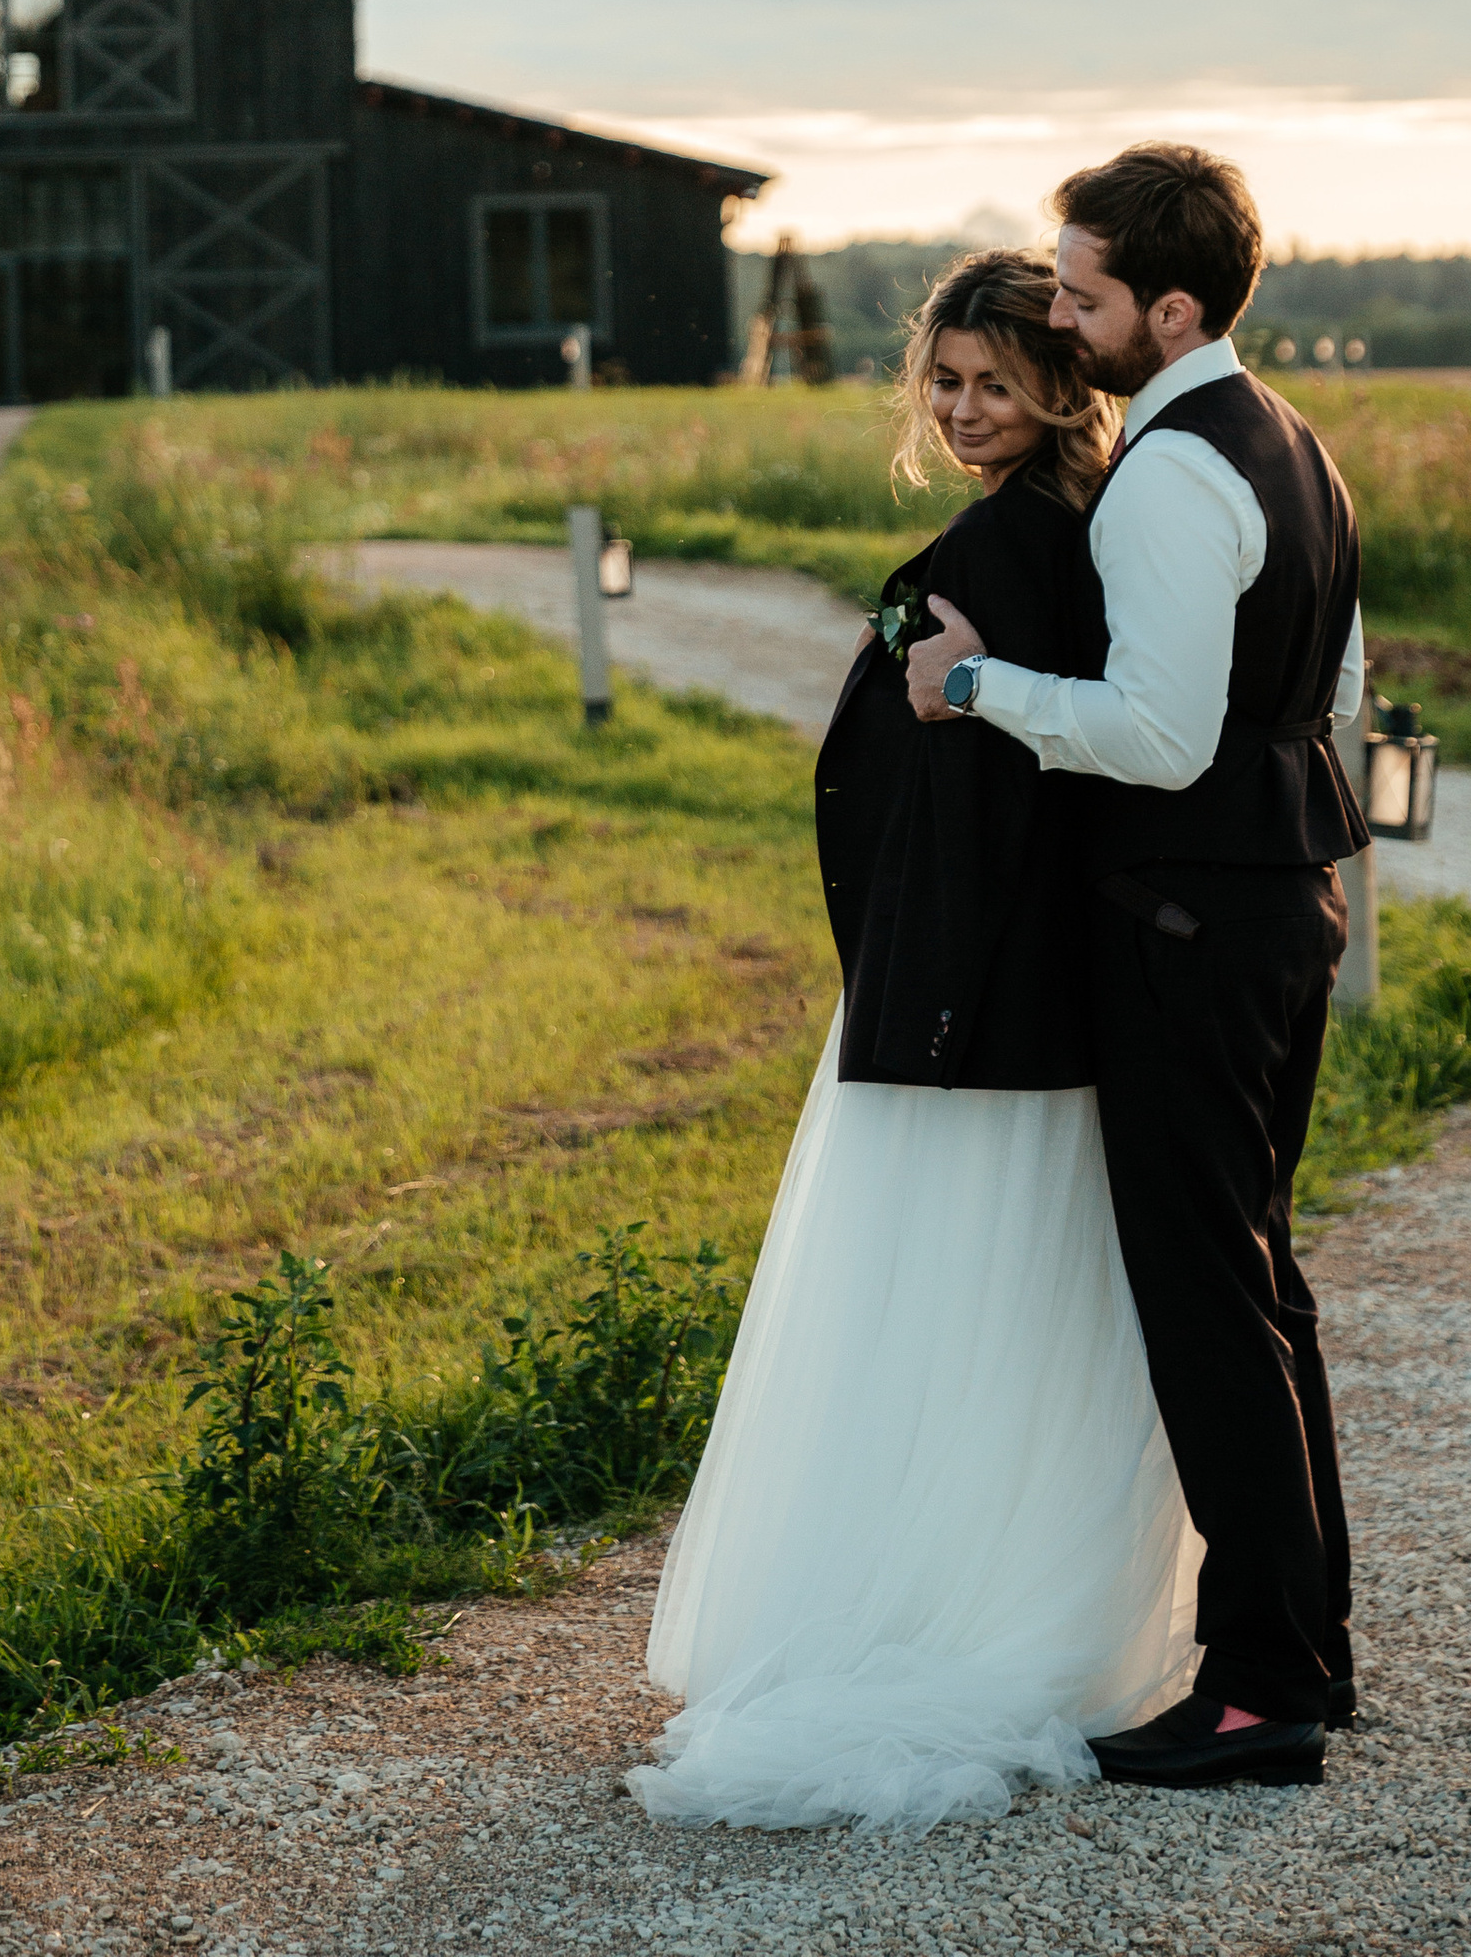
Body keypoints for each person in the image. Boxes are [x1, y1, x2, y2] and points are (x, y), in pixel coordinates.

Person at [628, 252, 1200, 1834]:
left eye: (995, 387)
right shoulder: (1044, 530)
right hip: (962, 986)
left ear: (1065, 389)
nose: (962, 411)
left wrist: (924, 998)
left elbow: (999, 790)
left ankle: (938, 1616)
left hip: (971, 1000)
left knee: (950, 1288)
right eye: (943, 383)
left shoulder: (1025, 547)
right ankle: (977, 1591)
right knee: (977, 1301)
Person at [909, 145, 1367, 1795]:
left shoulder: (1177, 470)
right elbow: (1329, 685)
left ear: (1167, 310)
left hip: (1188, 923)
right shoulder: (1295, 445)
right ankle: (1306, 1653)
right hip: (1281, 902)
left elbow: (1162, 740)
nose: (1061, 311)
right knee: (1262, 1287)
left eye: (1084, 293)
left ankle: (1257, 1693)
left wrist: (980, 692)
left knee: (1207, 1305)